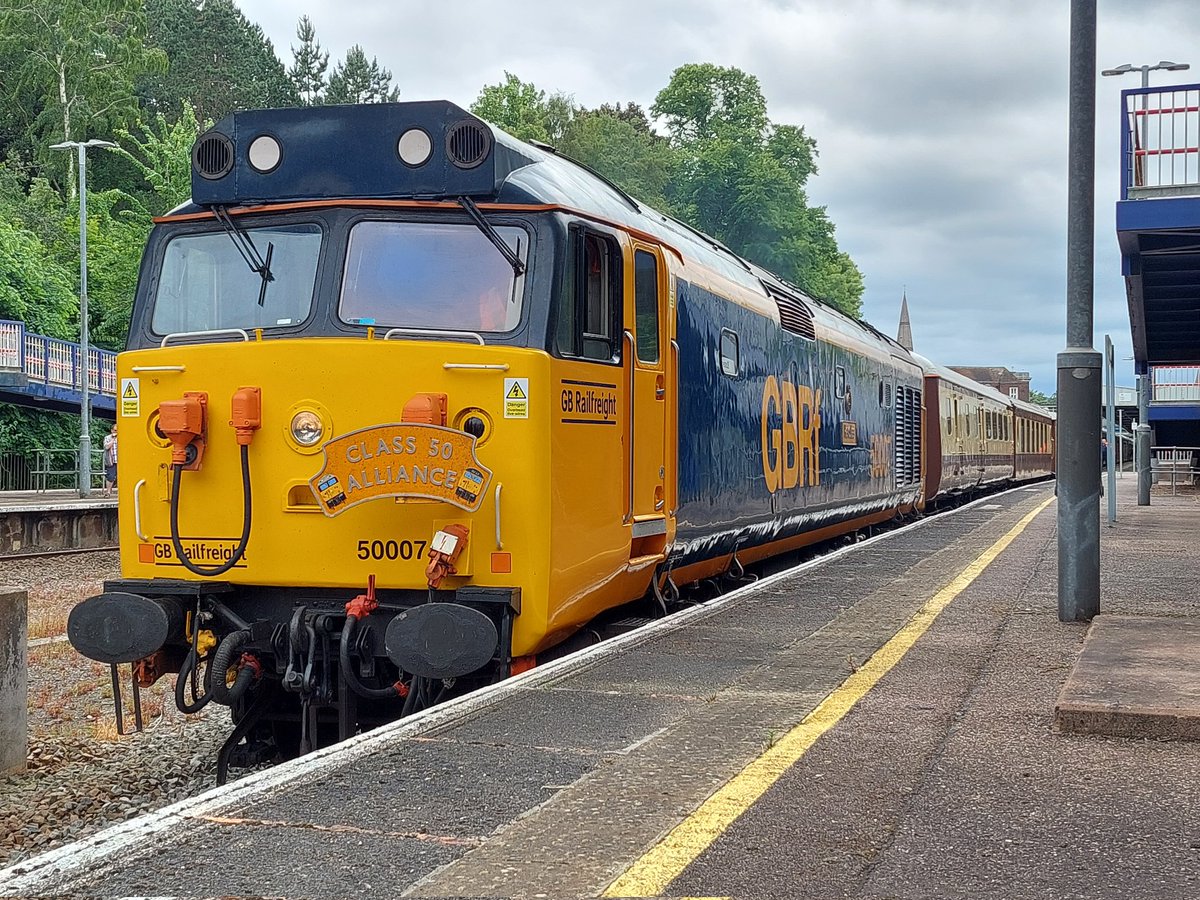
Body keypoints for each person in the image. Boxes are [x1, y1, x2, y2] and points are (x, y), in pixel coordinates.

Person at [103, 425, 118, 496]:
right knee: (111, 476)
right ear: (111, 430)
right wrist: (113, 439)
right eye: (115, 430)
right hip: (111, 460)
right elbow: (106, 447)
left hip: (121, 461)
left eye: (117, 431)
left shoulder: (123, 437)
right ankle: (108, 492)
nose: (116, 432)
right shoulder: (107, 438)